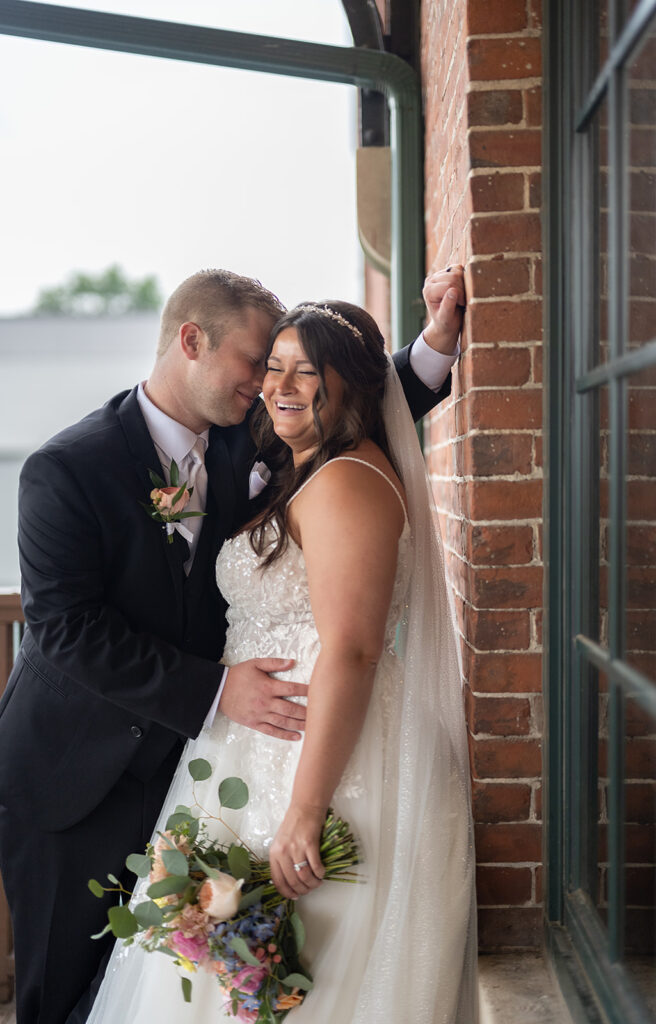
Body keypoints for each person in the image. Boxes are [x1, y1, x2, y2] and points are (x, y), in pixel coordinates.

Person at [0, 265, 466, 1024]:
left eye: (280, 366)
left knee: (186, 983)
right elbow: (65, 631)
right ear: (192, 341)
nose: (266, 382)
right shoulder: (66, 468)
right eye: (256, 361)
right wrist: (216, 691)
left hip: (204, 774)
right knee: (63, 989)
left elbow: (342, 406)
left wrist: (434, 347)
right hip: (74, 778)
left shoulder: (242, 439)